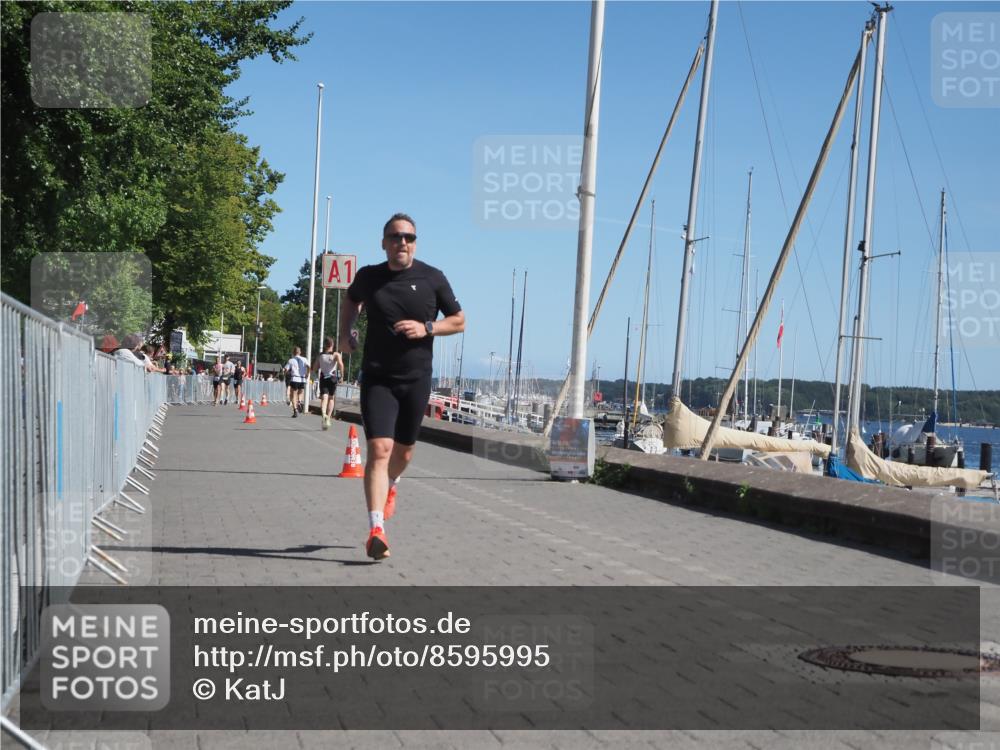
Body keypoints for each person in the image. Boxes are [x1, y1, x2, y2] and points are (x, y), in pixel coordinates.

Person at [339, 213, 464, 560]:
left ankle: (392, 485)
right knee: (379, 449)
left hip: (416, 379)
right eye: (395, 237)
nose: (402, 243)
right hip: (377, 376)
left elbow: (459, 321)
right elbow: (351, 301)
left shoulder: (432, 278)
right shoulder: (369, 277)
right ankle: (376, 528)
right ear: (384, 243)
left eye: (408, 237)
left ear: (415, 242)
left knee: (403, 453)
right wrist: (346, 331)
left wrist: (427, 327)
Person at [313, 337, 344, 430]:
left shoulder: (320, 355)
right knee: (331, 398)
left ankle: (323, 414)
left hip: (323, 377)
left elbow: (314, 368)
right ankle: (329, 418)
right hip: (332, 378)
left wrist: (317, 371)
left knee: (324, 398)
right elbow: (341, 365)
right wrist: (342, 376)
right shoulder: (336, 355)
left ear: (325, 345)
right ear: (332, 345)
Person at [284, 346, 309, 418]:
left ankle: (295, 410)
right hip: (302, 379)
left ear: (293, 352)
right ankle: (300, 402)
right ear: (300, 352)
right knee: (301, 392)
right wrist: (307, 373)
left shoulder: (291, 360)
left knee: (293, 395)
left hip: (294, 379)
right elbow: (309, 367)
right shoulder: (304, 359)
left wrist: (285, 374)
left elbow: (286, 369)